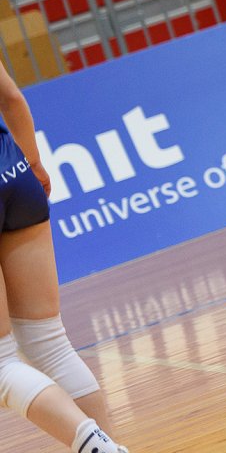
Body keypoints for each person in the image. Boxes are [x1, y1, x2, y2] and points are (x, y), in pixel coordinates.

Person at [0, 61, 130, 452]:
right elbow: (11, 98)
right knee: (49, 343)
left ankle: (100, 448)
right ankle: (109, 447)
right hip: (14, 174)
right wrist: (33, 163)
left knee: (1, 363)